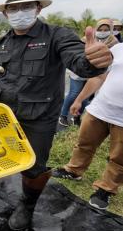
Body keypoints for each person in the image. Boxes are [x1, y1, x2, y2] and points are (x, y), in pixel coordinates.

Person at [0, 0, 113, 230]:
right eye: (13, 8)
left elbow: (79, 61)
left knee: (34, 167)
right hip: (3, 115)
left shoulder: (58, 35)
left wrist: (94, 62)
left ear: (38, 8)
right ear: (5, 13)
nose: (20, 12)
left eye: (26, 6)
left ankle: (27, 204)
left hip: (40, 118)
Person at [52, 42, 123, 210]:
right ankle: (74, 171)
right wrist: (79, 100)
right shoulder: (117, 48)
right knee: (84, 144)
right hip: (99, 109)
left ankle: (106, 189)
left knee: (119, 158)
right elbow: (99, 77)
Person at [59, 19, 119, 127]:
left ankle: (76, 117)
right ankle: (63, 116)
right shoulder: (85, 40)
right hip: (78, 73)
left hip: (96, 76)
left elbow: (100, 76)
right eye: (100, 29)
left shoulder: (115, 44)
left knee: (86, 97)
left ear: (110, 30)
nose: (103, 31)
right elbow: (75, 55)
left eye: (106, 30)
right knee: (73, 93)